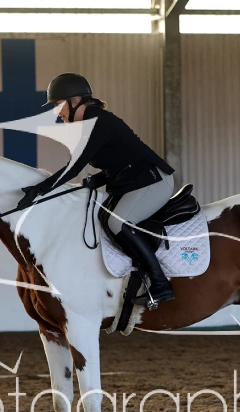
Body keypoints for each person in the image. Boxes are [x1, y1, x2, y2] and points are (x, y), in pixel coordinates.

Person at [18, 73, 177, 306]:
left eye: (57, 105)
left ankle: (161, 284)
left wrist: (39, 190)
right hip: (136, 181)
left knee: (118, 223)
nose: (56, 112)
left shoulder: (98, 121)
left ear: (74, 101)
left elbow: (74, 168)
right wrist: (99, 179)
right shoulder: (90, 123)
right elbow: (121, 159)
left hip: (154, 181)